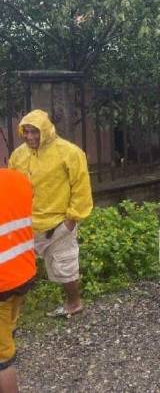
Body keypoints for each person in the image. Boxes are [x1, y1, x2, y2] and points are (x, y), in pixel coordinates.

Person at [8, 110, 92, 317]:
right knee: (17, 265)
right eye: (26, 132)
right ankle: (15, 308)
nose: (30, 137)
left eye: (34, 132)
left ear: (45, 130)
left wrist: (72, 219)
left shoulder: (69, 152)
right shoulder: (19, 154)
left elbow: (81, 187)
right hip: (27, 222)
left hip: (58, 222)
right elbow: (12, 185)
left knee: (65, 264)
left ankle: (74, 303)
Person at [0, 169, 36, 393]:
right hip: (22, 272)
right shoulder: (18, 179)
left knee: (2, 357)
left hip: (2, 281)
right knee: (8, 333)